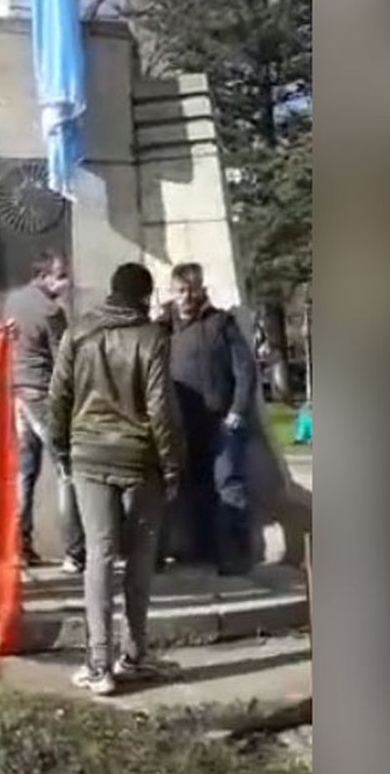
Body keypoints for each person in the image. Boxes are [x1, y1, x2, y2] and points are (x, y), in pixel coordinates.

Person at [48, 263, 181, 696]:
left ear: (111, 290)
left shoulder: (79, 332)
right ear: (145, 296)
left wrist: (62, 450)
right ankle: (134, 655)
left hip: (88, 454)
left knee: (99, 556)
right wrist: (172, 465)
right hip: (140, 458)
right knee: (140, 559)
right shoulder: (153, 338)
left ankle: (98, 664)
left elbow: (59, 396)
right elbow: (161, 409)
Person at [161, 262, 258, 575]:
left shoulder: (221, 323)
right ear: (172, 292)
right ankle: (201, 550)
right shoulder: (163, 327)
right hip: (184, 424)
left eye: (192, 289)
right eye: (180, 290)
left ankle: (234, 555)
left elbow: (245, 370)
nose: (187, 296)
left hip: (222, 422)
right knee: (194, 490)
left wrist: (238, 411)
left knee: (228, 485)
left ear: (202, 289)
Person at [3, 251, 85, 571]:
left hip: (17, 396)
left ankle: (19, 546)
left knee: (25, 472)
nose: (65, 281)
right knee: (68, 470)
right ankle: (74, 552)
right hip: (43, 396)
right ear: (43, 276)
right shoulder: (52, 311)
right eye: (59, 274)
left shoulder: (12, 301)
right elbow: (65, 363)